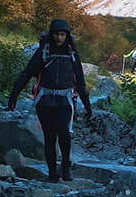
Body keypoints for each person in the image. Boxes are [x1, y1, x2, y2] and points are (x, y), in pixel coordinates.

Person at [7, 19, 92, 182]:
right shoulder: (43, 52)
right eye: (56, 34)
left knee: (64, 133)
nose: (59, 38)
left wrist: (87, 106)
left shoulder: (72, 54)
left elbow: (80, 81)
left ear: (67, 36)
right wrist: (14, 95)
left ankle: (66, 168)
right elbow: (27, 73)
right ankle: (53, 172)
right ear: (51, 34)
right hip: (44, 100)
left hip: (64, 100)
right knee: (49, 136)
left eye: (62, 34)